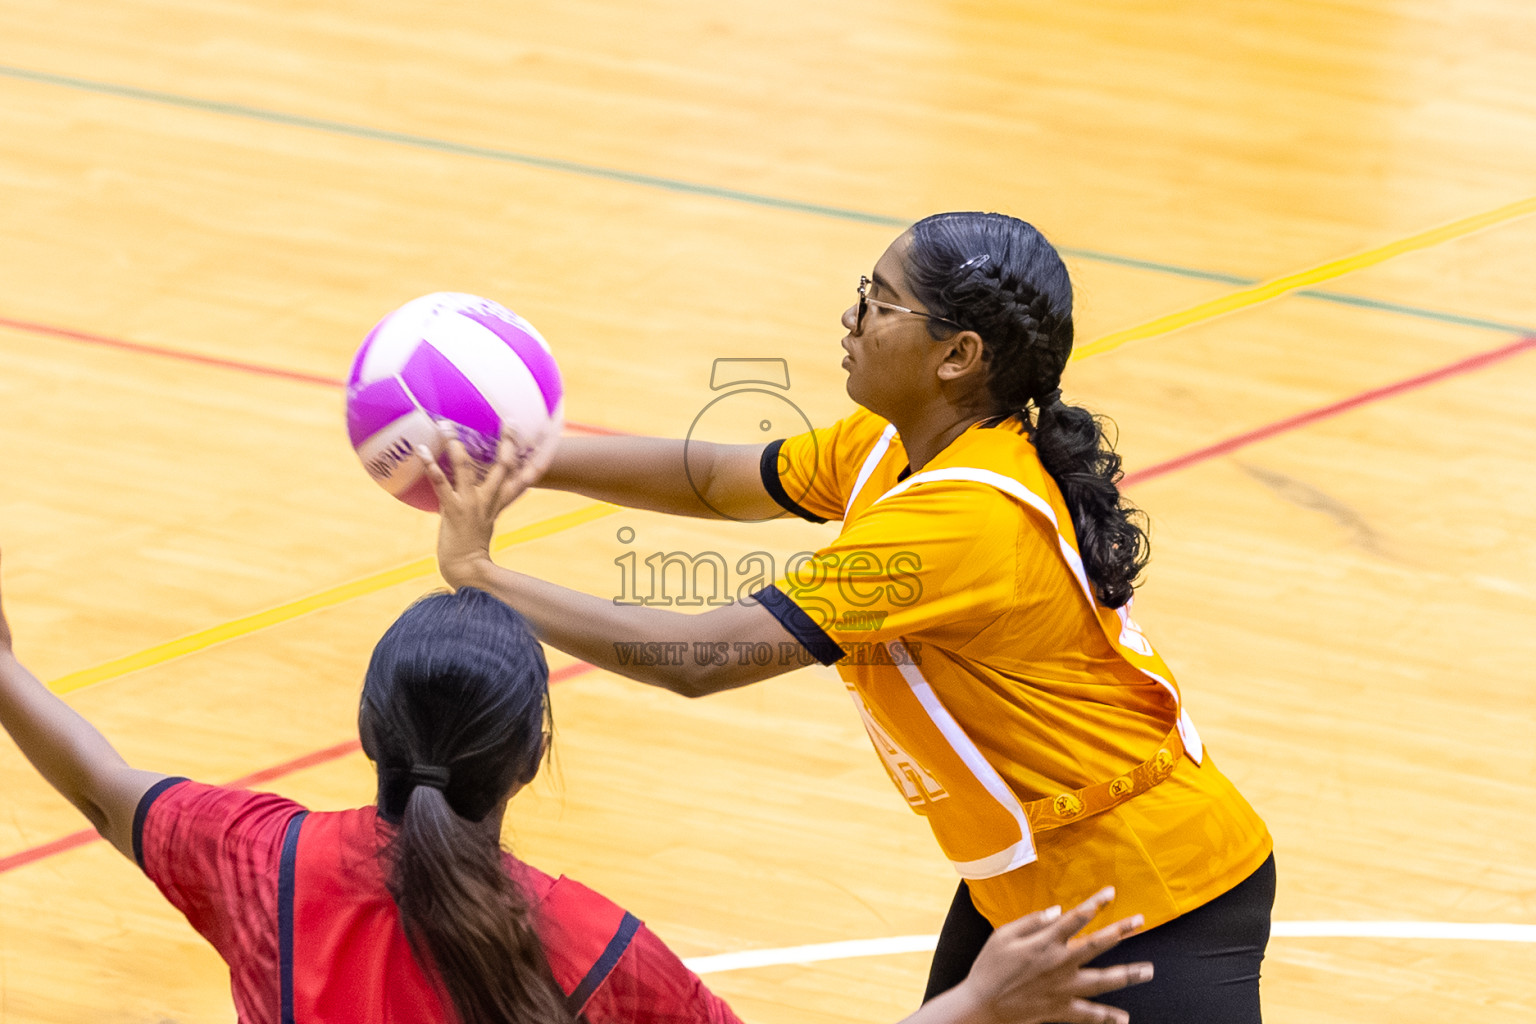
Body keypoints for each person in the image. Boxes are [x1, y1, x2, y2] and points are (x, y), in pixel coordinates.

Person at [417, 211, 1275, 1023]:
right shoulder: (895, 444)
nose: (851, 317)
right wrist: (514, 456)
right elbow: (722, 478)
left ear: (959, 355)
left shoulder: (961, 523)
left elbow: (697, 658)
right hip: (1031, 888)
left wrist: (480, 575)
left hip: (1151, 899)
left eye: (879, 301)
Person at [0, 549, 1150, 1024]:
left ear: (365, 731)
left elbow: (106, 786)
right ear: (533, 756)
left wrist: (4, 671)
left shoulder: (265, 858)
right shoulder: (594, 948)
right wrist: (976, 1006)